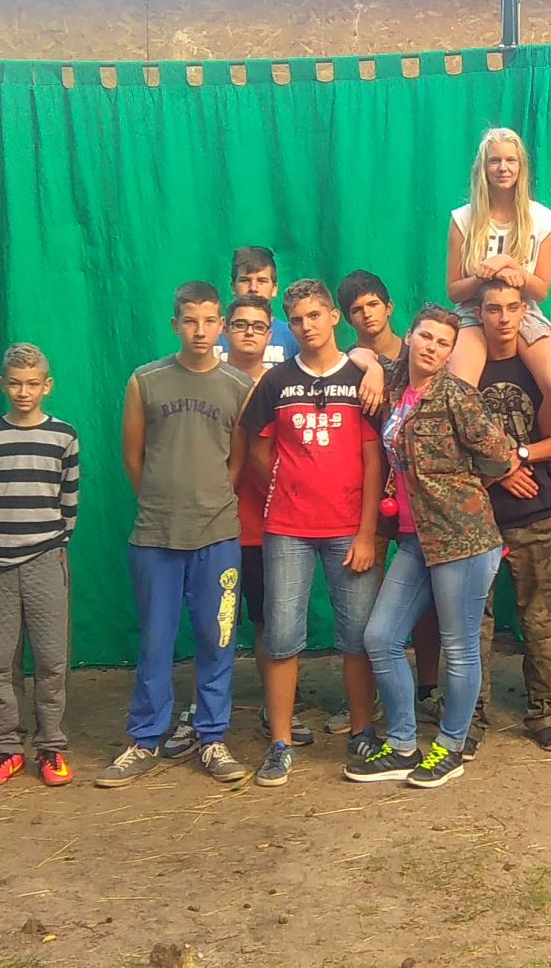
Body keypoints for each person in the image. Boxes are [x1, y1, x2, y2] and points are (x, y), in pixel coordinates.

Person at [346, 305, 519, 788]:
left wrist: (462, 490)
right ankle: (403, 746)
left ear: (450, 352)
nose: (432, 348)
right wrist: (371, 363)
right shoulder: (397, 383)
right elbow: (358, 352)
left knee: (459, 649)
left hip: (463, 539)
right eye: (426, 337)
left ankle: (450, 746)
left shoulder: (457, 396)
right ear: (411, 336)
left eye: (444, 343)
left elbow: (501, 455)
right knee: (380, 637)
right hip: (416, 538)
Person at [96, 281, 252, 788]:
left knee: (217, 639)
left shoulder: (239, 386)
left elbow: (237, 462)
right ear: (175, 324)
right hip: (156, 535)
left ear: (221, 326)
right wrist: (163, 502)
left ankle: (212, 737)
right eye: (190, 321)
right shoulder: (146, 380)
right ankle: (144, 739)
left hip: (217, 536)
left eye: (209, 321)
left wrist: (210, 503)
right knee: (156, 640)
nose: (200, 331)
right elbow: (132, 457)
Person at [157, 294, 316, 759]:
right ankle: (199, 713)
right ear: (226, 329)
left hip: (272, 530)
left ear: (271, 334)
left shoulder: (283, 385)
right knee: (212, 625)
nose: (249, 333)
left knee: (272, 622)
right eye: (240, 324)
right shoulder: (208, 381)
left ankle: (275, 709)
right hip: (218, 527)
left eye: (259, 326)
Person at [243, 278, 385, 787]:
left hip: (350, 531)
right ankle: (280, 742)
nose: (306, 326)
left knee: (358, 637)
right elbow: (258, 448)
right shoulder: (276, 381)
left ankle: (362, 731)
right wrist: (288, 488)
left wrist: (367, 533)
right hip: (287, 530)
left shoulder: (360, 378)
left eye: (315, 316)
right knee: (281, 637)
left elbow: (374, 460)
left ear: (333, 317)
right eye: (297, 319)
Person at [0, 342, 80, 787]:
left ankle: (50, 746)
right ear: (2, 384)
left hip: (47, 560)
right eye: (15, 383)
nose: (23, 392)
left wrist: (51, 542)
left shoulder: (64, 435)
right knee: (0, 662)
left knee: (51, 659)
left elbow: (69, 501)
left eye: (32, 384)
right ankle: (8, 749)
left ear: (47, 385)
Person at [470, 279, 551, 752]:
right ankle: (470, 715)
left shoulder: (539, 368)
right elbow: (448, 443)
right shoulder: (465, 368)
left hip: (534, 511)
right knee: (473, 623)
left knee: (542, 618)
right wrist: (498, 475)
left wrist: (518, 456)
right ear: (479, 313)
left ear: (524, 312)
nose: (504, 318)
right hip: (476, 518)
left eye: (513, 307)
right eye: (494, 309)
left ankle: (546, 712)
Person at [339, 269, 441, 711]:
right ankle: (372, 697)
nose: (367, 314)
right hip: (371, 497)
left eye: (373, 305)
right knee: (368, 598)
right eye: (356, 310)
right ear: (347, 318)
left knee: (428, 600)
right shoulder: (347, 363)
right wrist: (367, 365)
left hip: (423, 497)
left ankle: (429, 688)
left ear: (389, 307)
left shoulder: (420, 350)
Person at [443, 127, 551, 440]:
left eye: (511, 160)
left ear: (521, 166)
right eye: (495, 161)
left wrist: (514, 268)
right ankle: (484, 455)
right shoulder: (463, 219)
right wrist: (481, 277)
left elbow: (540, 290)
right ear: (483, 167)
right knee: (460, 393)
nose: (503, 168)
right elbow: (453, 290)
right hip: (473, 311)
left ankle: (540, 453)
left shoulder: (542, 219)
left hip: (522, 310)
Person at [216, 245, 300, 366]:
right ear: (233, 287)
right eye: (245, 280)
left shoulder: (292, 336)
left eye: (262, 281)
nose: (253, 288)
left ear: (274, 289)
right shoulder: (212, 334)